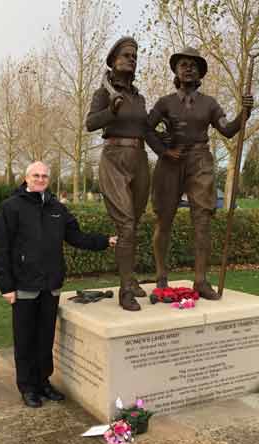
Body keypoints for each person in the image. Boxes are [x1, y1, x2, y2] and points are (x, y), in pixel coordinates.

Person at [0, 161, 116, 408]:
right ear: (26, 178)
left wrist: (105, 241)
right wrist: (6, 286)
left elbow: (76, 237)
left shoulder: (57, 208)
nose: (40, 179)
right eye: (36, 175)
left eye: (44, 176)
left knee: (45, 337)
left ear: (48, 179)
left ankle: (43, 382)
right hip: (24, 285)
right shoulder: (11, 207)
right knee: (25, 339)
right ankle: (27, 387)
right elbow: (1, 248)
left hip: (51, 285)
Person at [148, 47, 253, 300]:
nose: (188, 68)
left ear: (200, 73)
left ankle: (201, 280)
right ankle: (161, 275)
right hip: (170, 162)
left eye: (194, 65)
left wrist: (244, 114)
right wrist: (163, 151)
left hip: (200, 161)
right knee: (164, 220)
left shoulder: (209, 103)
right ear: (175, 70)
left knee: (203, 222)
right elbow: (146, 129)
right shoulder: (164, 102)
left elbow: (227, 130)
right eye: (183, 64)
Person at [86, 37, 150, 312]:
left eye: (135, 55)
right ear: (113, 60)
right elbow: (90, 123)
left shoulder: (139, 96)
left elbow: (146, 130)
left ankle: (131, 278)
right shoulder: (103, 92)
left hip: (140, 158)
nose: (131, 59)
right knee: (125, 225)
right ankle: (125, 290)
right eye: (126, 55)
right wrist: (111, 110)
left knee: (133, 224)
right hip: (114, 159)